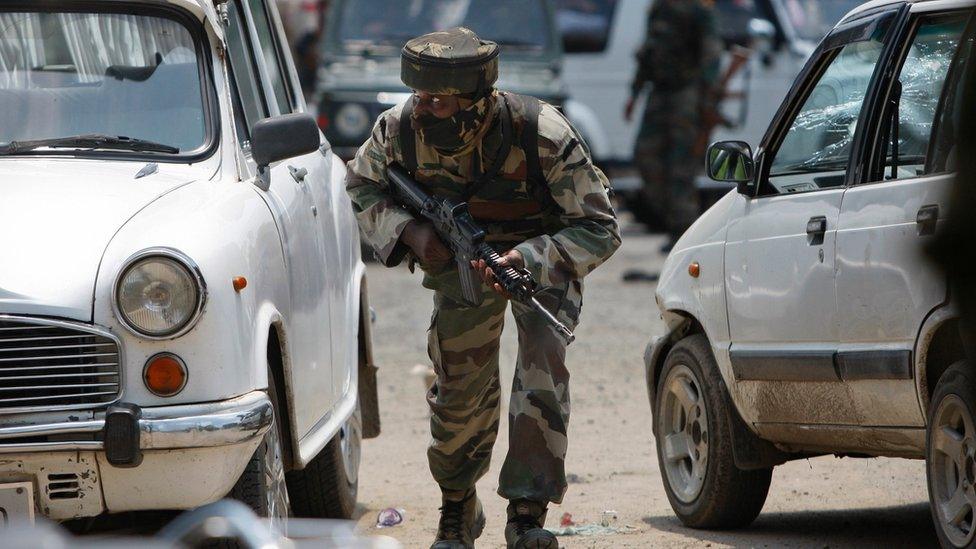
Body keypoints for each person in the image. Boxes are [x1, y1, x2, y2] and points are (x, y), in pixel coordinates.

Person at [345, 27, 620, 549]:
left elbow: (600, 227)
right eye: (420, 97)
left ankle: (526, 513)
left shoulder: (541, 134)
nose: (425, 110)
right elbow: (360, 186)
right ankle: (457, 509)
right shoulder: (398, 130)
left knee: (542, 363)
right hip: (458, 261)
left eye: (441, 102)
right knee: (458, 389)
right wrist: (409, 231)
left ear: (476, 100)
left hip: (538, 261)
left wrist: (531, 259)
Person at [624, 0, 723, 250]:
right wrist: (634, 94)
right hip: (659, 91)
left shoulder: (699, 10)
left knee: (682, 165)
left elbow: (711, 54)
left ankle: (683, 232)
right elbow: (649, 52)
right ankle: (670, 219)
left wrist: (707, 100)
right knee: (645, 155)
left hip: (686, 93)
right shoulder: (658, 9)